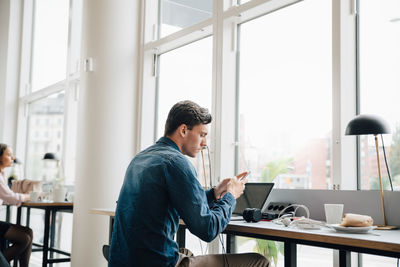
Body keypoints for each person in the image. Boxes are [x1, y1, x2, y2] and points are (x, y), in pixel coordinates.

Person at [109, 100, 269, 267]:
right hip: (158, 263)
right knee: (259, 261)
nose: (205, 143)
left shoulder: (141, 158)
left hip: (123, 262)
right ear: (183, 130)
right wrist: (230, 196)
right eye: (202, 134)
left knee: (185, 253)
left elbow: (177, 204)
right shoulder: (176, 162)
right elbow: (207, 229)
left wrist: (215, 193)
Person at [0, 144, 33, 267]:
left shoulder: (2, 174)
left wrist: (16, 198)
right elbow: (11, 197)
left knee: (28, 232)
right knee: (24, 239)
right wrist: (29, 196)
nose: (12, 158)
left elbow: (6, 198)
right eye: (8, 154)